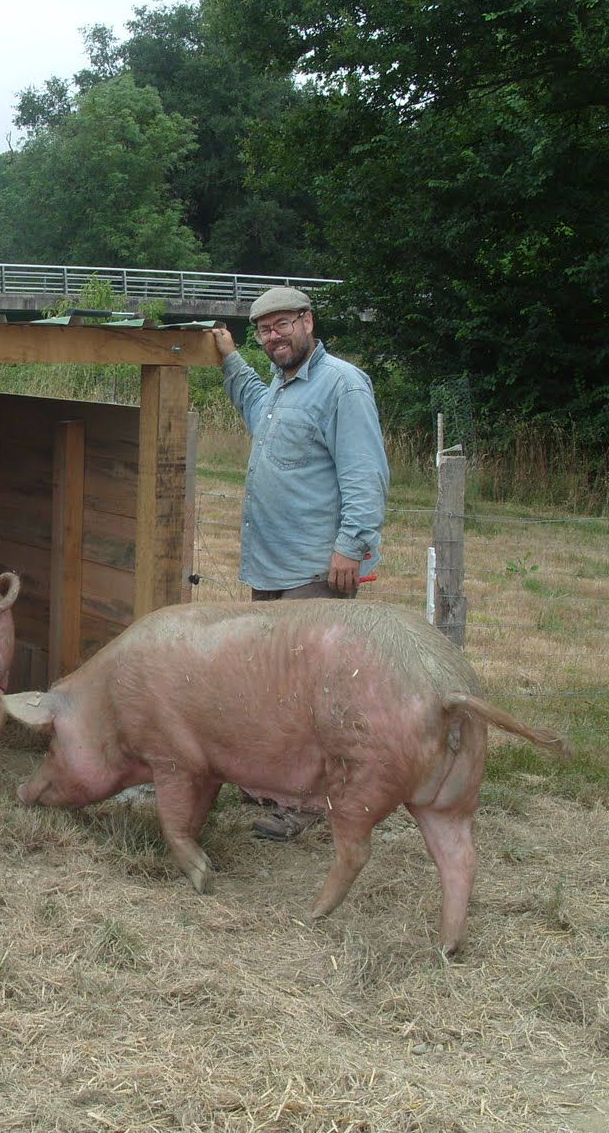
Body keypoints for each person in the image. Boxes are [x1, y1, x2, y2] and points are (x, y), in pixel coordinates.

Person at [212, 285, 390, 839]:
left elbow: (365, 474)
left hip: (316, 566)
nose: (273, 336)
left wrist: (351, 548)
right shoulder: (278, 388)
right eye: (264, 330)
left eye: (283, 324)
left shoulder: (342, 384)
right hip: (270, 564)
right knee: (273, 683)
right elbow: (250, 402)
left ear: (308, 322)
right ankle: (274, 785)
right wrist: (228, 357)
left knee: (310, 690)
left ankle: (309, 806)